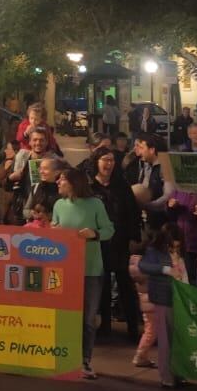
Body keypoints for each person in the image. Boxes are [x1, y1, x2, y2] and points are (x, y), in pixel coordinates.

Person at [52, 168, 115, 379]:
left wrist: (94, 234)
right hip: (65, 269)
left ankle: (85, 360)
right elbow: (53, 229)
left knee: (88, 318)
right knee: (66, 316)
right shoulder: (59, 205)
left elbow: (109, 230)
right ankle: (65, 357)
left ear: (74, 183)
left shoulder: (95, 204)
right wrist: (54, 231)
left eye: (62, 180)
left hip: (91, 269)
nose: (58, 183)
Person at [90, 148, 142, 341]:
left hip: (120, 242)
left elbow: (132, 213)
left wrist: (133, 237)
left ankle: (132, 327)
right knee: (102, 285)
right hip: (98, 243)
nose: (108, 164)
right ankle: (104, 326)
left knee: (125, 285)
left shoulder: (122, 185)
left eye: (112, 160)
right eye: (105, 159)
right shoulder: (90, 187)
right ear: (96, 161)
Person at [135, 222, 187, 388]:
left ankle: (178, 373)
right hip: (163, 299)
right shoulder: (154, 251)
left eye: (177, 247)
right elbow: (143, 266)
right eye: (172, 246)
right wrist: (165, 269)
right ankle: (167, 377)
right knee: (165, 340)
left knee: (176, 339)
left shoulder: (178, 253)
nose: (175, 249)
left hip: (179, 298)